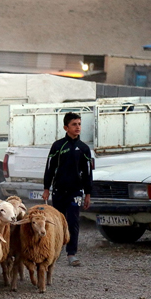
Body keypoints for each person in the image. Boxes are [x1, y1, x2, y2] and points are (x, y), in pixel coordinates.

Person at [42, 111, 92, 267]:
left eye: (79, 124)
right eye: (74, 124)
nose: (77, 127)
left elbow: (88, 173)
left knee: (73, 221)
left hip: (76, 192)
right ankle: (55, 251)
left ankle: (72, 254)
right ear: (66, 127)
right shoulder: (58, 146)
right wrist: (46, 187)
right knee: (57, 222)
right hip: (59, 191)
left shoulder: (84, 148)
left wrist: (88, 193)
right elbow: (50, 168)